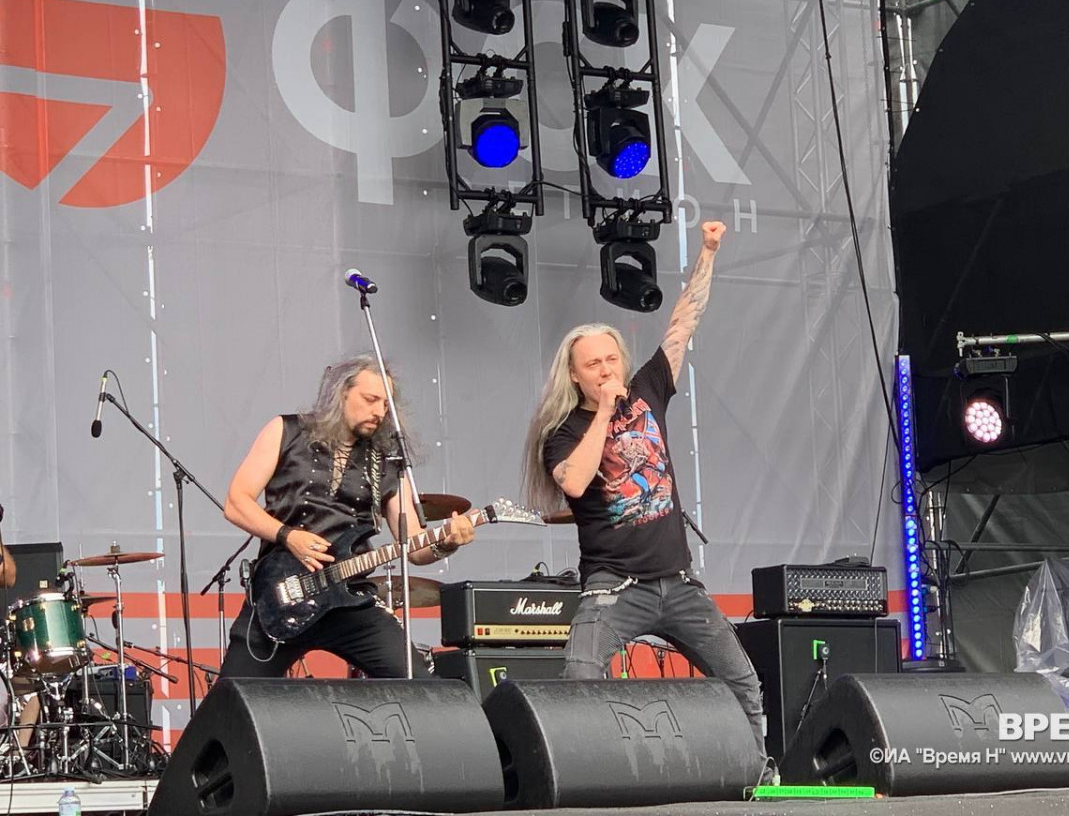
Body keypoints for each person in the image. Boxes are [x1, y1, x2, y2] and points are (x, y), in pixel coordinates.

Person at [522, 221, 768, 770]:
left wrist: (708, 252)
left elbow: (683, 322)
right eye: (593, 364)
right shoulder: (563, 430)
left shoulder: (649, 389)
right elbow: (574, 483)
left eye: (611, 359)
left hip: (677, 582)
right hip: (614, 586)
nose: (606, 370)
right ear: (575, 375)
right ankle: (589, 775)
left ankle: (757, 769)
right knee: (581, 676)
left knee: (741, 679)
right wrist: (605, 413)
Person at [219, 355, 475, 678]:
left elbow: (413, 545)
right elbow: (236, 502)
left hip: (350, 597)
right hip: (282, 593)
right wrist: (288, 535)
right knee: (230, 697)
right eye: (370, 399)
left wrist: (447, 542)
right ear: (342, 393)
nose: (380, 412)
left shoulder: (386, 461)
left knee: (419, 685)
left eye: (386, 404)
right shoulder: (285, 431)